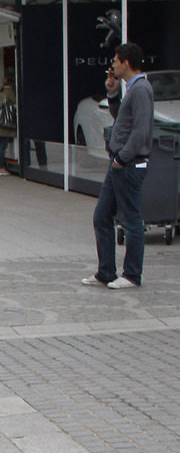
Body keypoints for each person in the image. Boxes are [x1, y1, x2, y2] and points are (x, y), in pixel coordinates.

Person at [84, 40, 154, 290]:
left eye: (115, 62)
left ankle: (133, 274)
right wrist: (112, 93)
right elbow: (123, 120)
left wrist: (122, 157)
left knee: (131, 219)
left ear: (125, 63)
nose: (112, 66)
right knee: (102, 216)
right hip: (119, 164)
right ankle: (106, 271)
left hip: (128, 164)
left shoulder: (141, 89)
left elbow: (140, 130)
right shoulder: (131, 89)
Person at [0, 75, 17, 175]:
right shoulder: (9, 92)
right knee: (3, 144)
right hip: (7, 123)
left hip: (0, 121)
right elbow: (15, 104)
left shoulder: (0, 91)